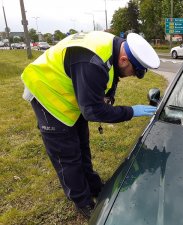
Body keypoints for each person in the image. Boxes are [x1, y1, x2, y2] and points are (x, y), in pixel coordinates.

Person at [21, 31, 160, 218]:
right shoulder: (92, 62)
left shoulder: (115, 47)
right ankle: (81, 200)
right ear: (125, 60)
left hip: (72, 93)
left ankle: (94, 186)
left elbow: (113, 75)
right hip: (48, 93)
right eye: (134, 72)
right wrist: (130, 111)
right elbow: (93, 111)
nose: (132, 76)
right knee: (67, 154)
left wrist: (109, 95)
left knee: (82, 145)